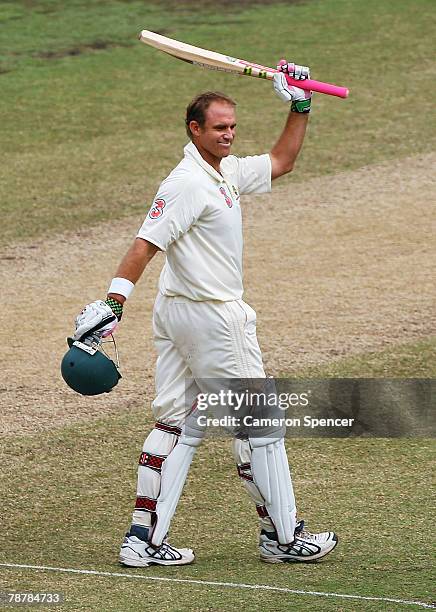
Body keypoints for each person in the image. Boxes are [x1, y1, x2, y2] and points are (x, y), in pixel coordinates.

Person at [73, 60, 338, 567]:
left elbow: (282, 160)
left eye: (233, 127)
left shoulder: (227, 172)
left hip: (177, 316)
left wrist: (301, 104)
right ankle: (283, 537)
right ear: (194, 129)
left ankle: (143, 540)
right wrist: (113, 300)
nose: (229, 136)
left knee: (175, 423)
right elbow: (144, 244)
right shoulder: (186, 183)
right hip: (215, 320)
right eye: (219, 128)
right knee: (261, 426)